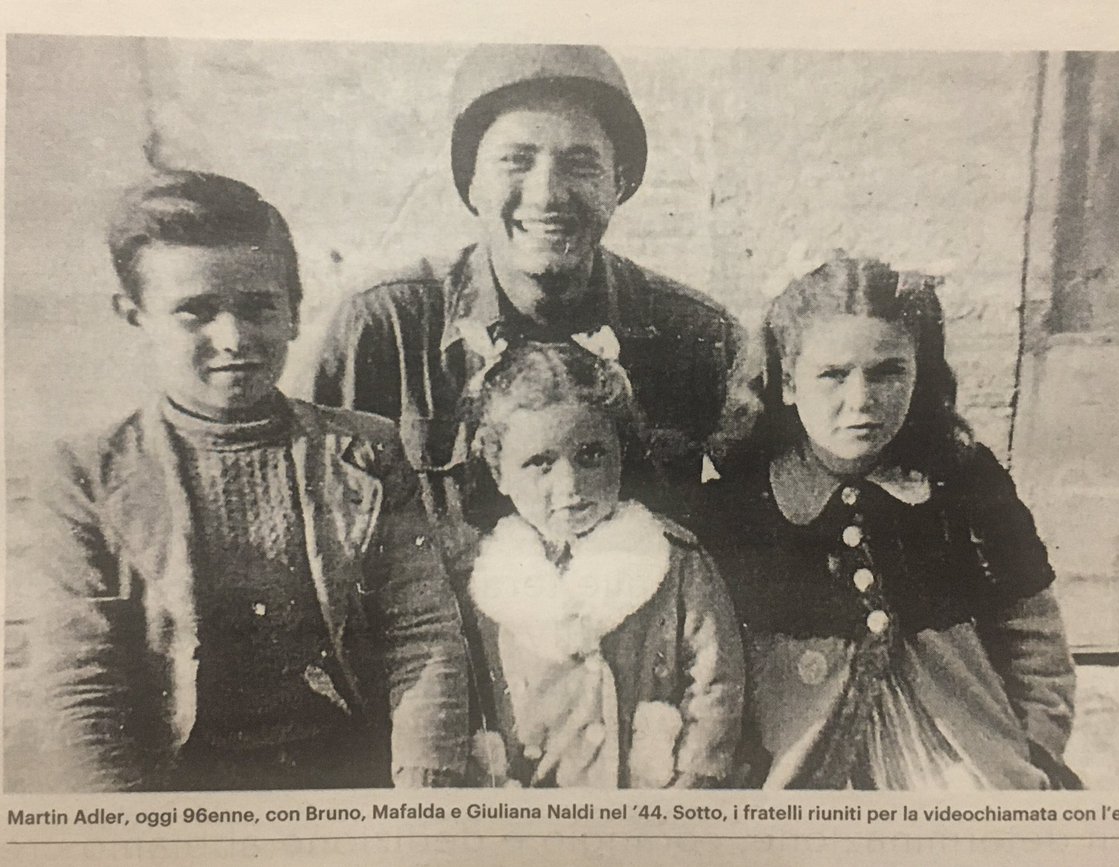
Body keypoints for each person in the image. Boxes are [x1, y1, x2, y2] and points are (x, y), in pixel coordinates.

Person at [29, 170, 469, 791]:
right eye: (195, 312)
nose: (233, 338)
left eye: (259, 306)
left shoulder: (366, 448)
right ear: (134, 316)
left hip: (351, 783)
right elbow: (82, 682)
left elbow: (421, 632)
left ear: (294, 310)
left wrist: (424, 794)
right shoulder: (86, 475)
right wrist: (122, 839)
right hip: (178, 799)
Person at [310, 43, 745, 554]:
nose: (547, 194)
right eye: (516, 161)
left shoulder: (695, 335)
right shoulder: (386, 327)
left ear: (619, 184)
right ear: (471, 183)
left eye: (581, 164)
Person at [699, 254, 1077, 790]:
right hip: (798, 769)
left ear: (919, 371)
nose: (861, 402)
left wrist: (1035, 748)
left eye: (887, 372)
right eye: (832, 375)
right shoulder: (743, 503)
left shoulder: (964, 481)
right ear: (787, 382)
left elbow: (1032, 629)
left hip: (956, 765)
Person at [461, 341, 744, 788]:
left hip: (649, 795)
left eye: (591, 455)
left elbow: (715, 681)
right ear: (499, 473)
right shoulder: (483, 576)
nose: (571, 485)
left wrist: (693, 776)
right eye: (540, 464)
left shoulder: (673, 560)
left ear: (620, 451)